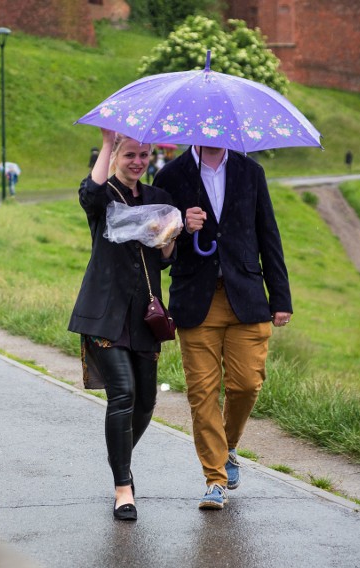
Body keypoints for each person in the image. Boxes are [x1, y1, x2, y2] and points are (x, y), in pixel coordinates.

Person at [154, 145, 292, 510]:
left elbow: (268, 234)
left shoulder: (251, 172)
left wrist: (280, 298)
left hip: (246, 296)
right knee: (202, 393)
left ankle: (228, 446)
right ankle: (214, 479)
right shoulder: (169, 175)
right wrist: (182, 226)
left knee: (246, 384)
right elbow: (158, 246)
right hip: (195, 300)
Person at [68, 128, 180, 521]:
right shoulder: (104, 196)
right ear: (118, 156)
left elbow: (167, 257)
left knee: (147, 401)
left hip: (144, 316)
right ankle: (123, 487)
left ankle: (121, 460)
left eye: (143, 155)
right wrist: (106, 142)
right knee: (123, 394)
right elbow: (90, 194)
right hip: (105, 312)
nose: (137, 162)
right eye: (129, 154)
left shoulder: (159, 200)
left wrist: (171, 236)